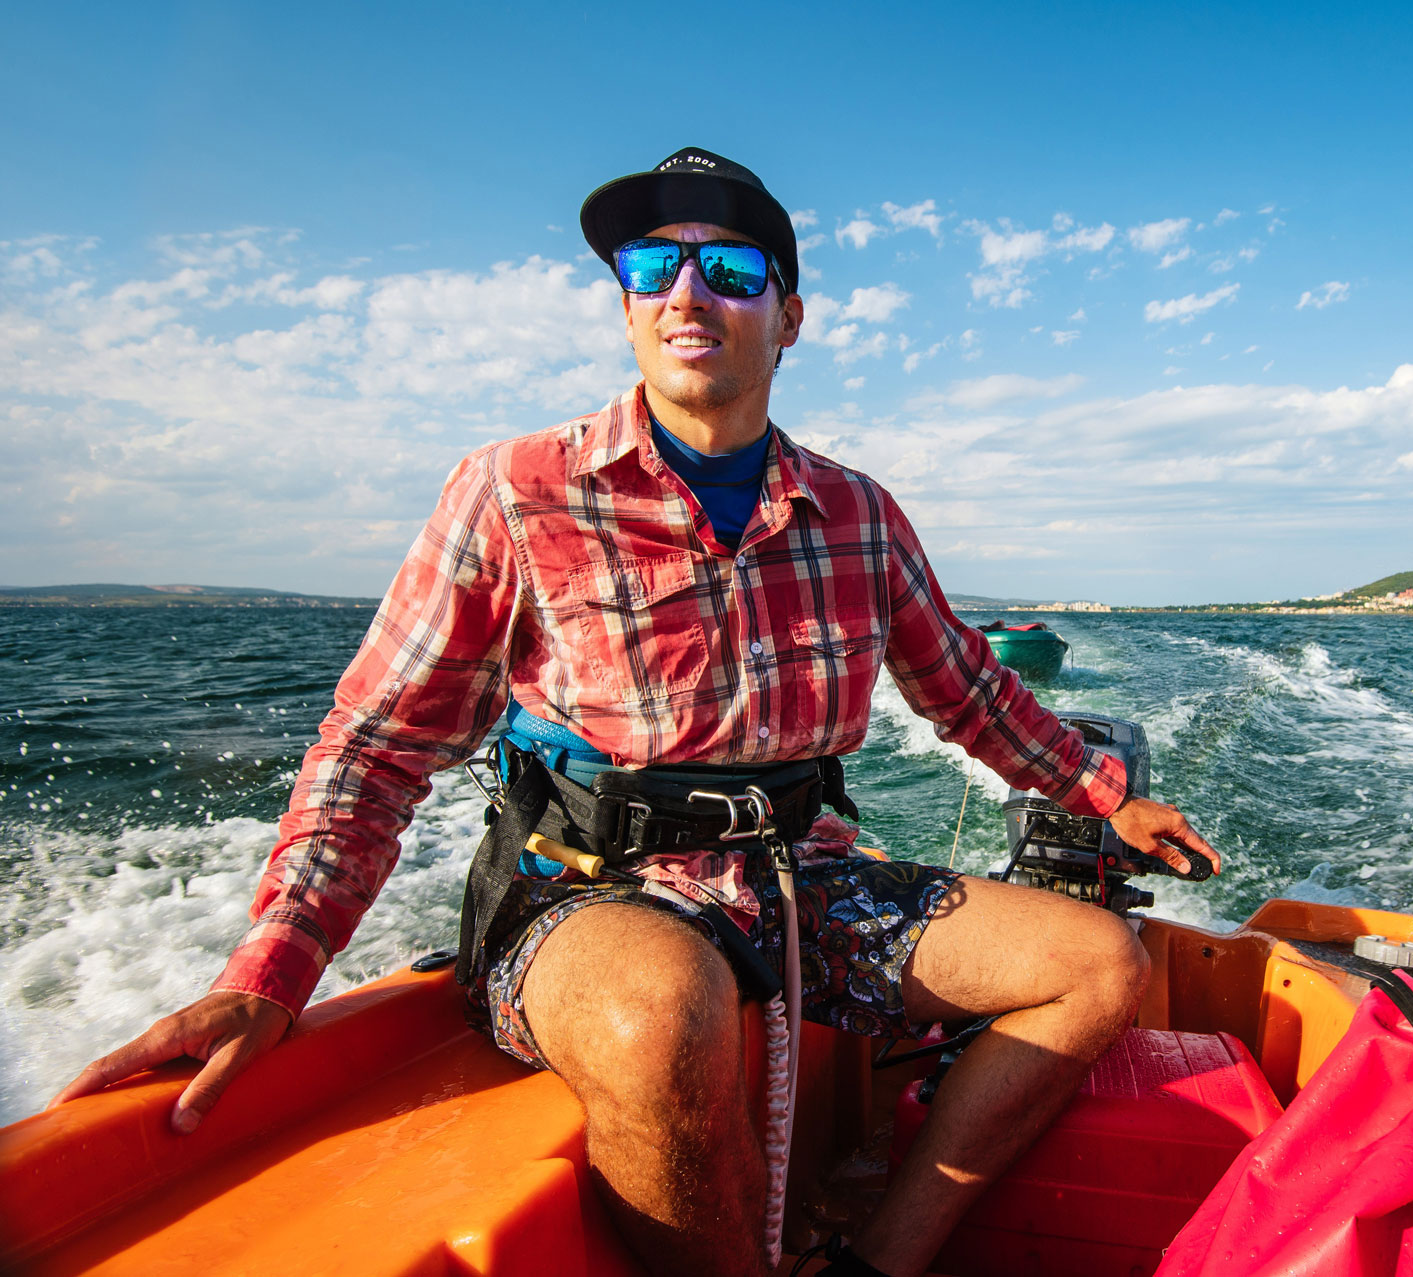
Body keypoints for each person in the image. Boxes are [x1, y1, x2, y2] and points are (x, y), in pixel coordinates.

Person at [50, 148, 1221, 1277]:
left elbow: (964, 684)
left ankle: (879, 1259)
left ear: (790, 317)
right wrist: (268, 973)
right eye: (652, 268)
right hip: (583, 889)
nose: (688, 292)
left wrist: (1107, 795)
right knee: (665, 1010)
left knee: (1096, 960)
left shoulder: (859, 515)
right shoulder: (514, 491)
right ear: (625, 310)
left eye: (733, 269)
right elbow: (379, 743)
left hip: (798, 881)